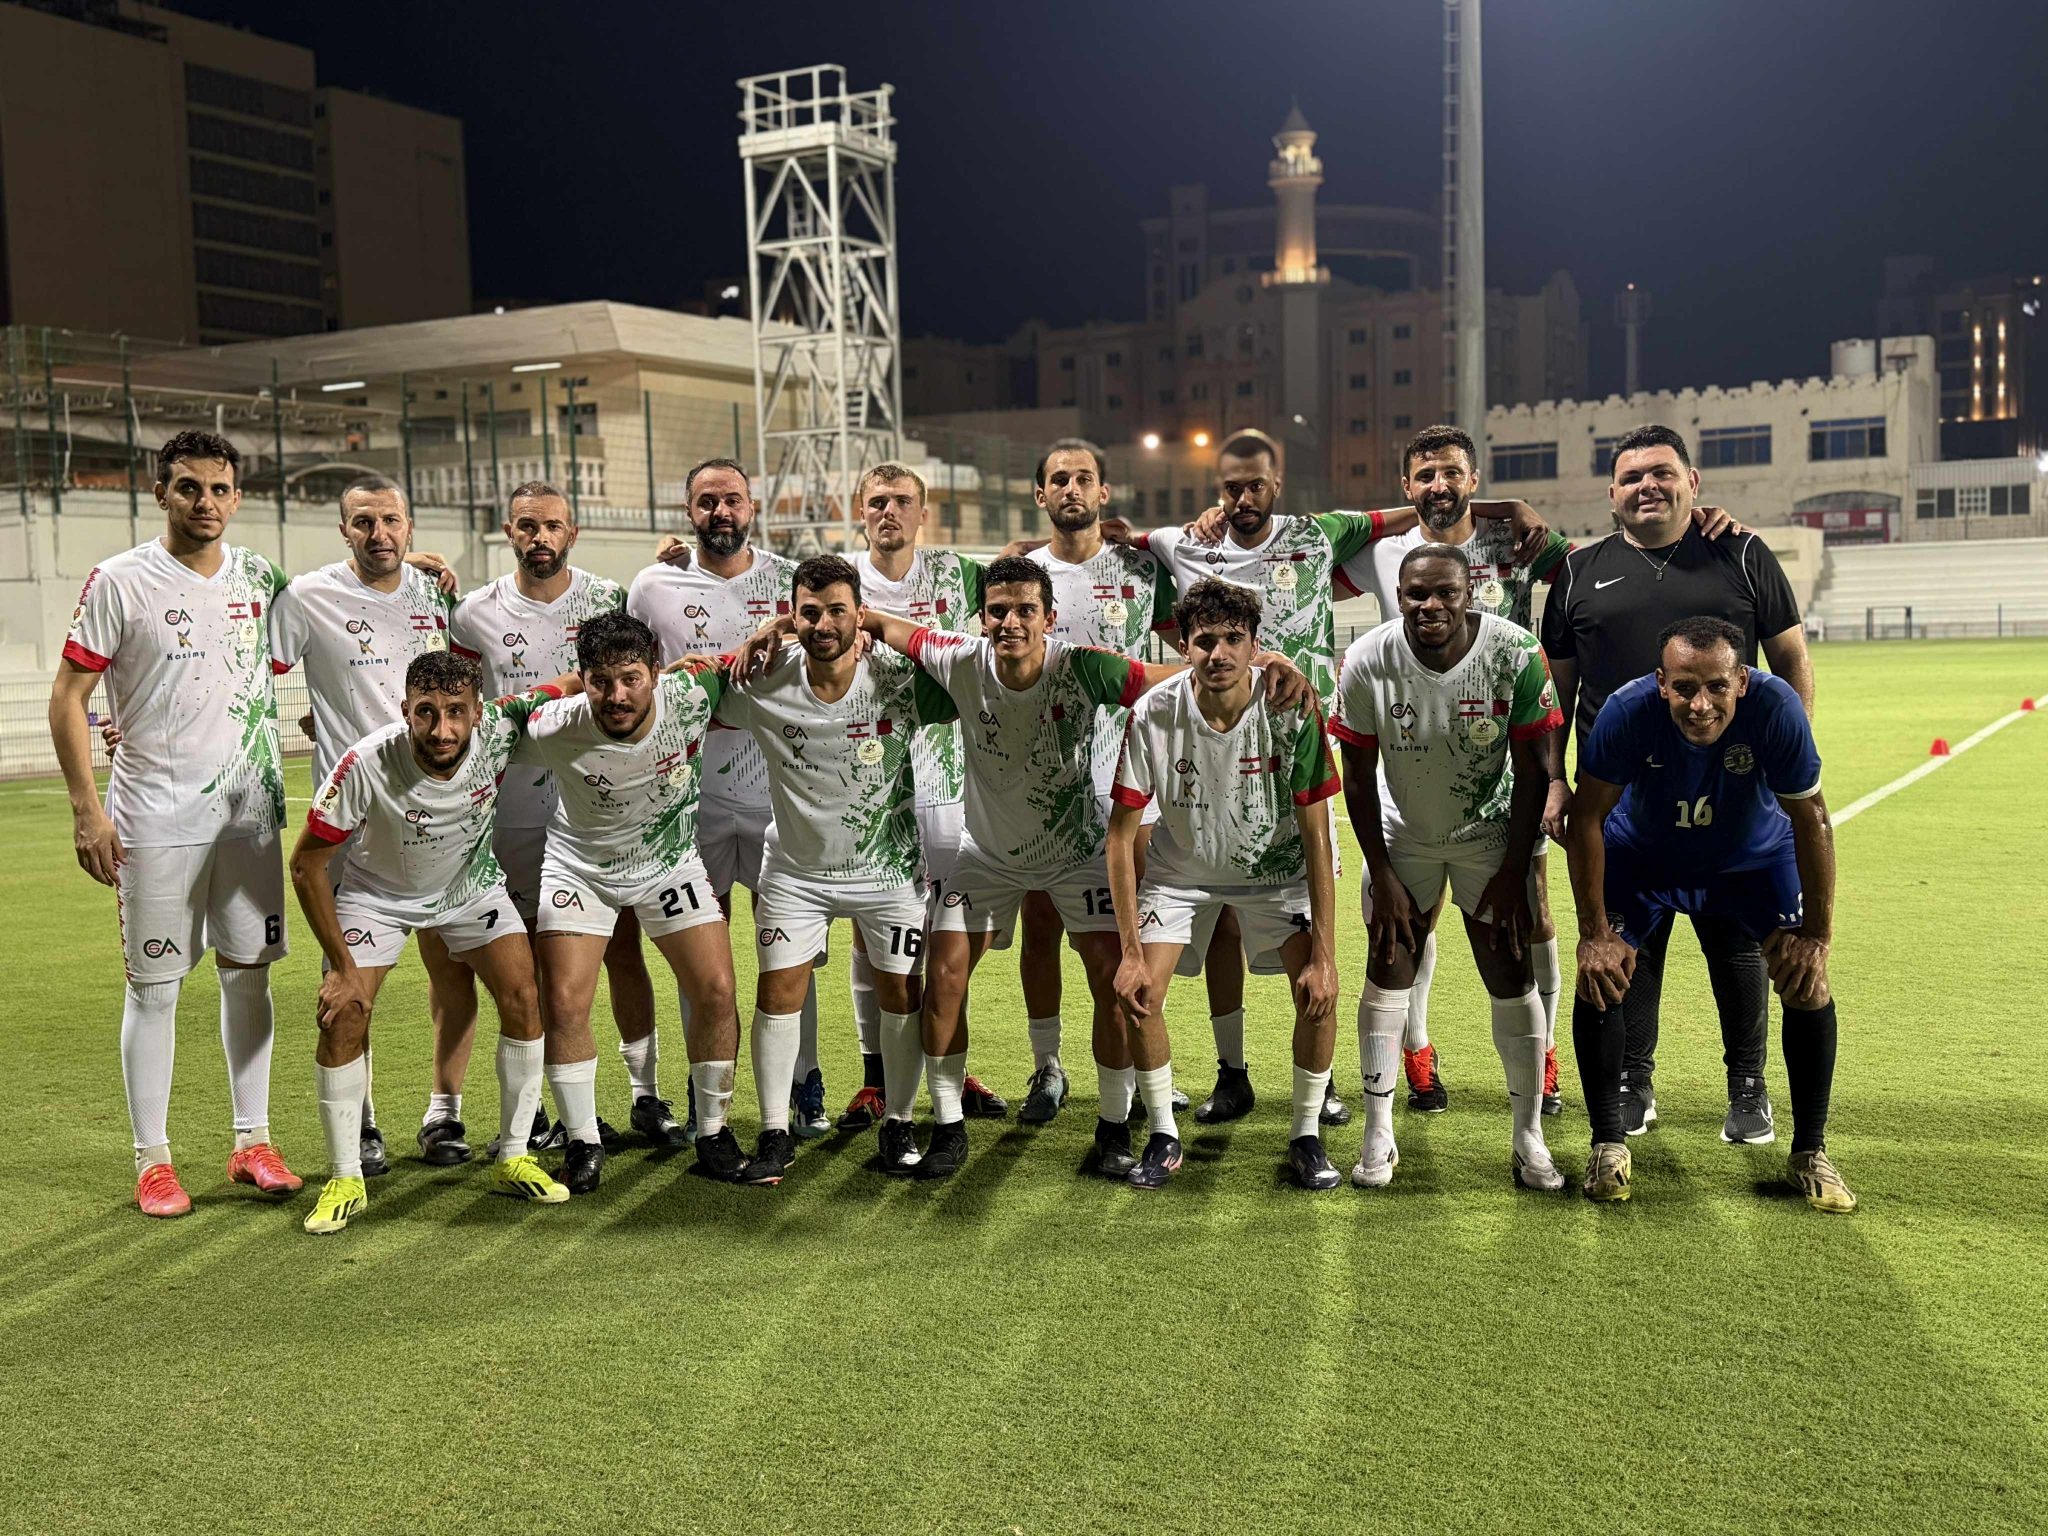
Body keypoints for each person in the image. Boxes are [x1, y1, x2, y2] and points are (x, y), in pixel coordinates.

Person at [848, 557, 1309, 1178]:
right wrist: (788, 629)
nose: (1011, 622)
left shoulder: (1081, 666)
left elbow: (1165, 674)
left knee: (1114, 981)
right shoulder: (956, 657)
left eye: (1026, 610)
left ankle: (1113, 1126)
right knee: (945, 977)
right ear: (981, 617)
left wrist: (1264, 662)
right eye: (998, 611)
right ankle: (948, 1127)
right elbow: (875, 621)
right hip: (986, 858)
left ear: (1049, 617)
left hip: (1076, 853)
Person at [1142, 429, 1543, 1126]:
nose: (1243, 497)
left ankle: (1328, 1080)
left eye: (1256, 484)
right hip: (1228, 743)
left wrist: (1508, 507)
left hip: (1313, 743)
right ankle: (1236, 1071)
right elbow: (1123, 540)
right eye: (1231, 487)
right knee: (1230, 917)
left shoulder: (1321, 533)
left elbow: (1420, 509)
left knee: (1355, 911)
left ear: (1278, 483)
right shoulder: (1184, 544)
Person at [48, 430, 300, 1217]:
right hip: (154, 817)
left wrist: (418, 573)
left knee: (248, 974)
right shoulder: (119, 580)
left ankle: (253, 1142)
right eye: (189, 487)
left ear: (238, 497)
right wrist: (88, 811)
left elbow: (331, 618)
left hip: (250, 816)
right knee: (156, 990)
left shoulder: (260, 577)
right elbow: (67, 698)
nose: (206, 503)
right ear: (160, 493)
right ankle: (152, 1161)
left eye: (220, 489)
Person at [1541, 424, 1815, 1144]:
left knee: (1739, 942)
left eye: (1662, 472)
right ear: (1611, 494)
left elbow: (1791, 661)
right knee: (1630, 944)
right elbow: (1554, 691)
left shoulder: (1742, 553)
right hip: (1622, 797)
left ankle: (1748, 1085)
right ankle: (1633, 1080)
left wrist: (1786, 755)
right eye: (1632, 477)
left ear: (1693, 483)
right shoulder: (1578, 571)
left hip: (1732, 790)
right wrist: (1554, 781)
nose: (1648, 486)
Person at [1563, 616, 1851, 1212]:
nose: (1700, 705)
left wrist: (1816, 936)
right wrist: (1594, 933)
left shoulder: (1777, 708)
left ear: (1742, 681)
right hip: (1644, 860)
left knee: (1806, 981)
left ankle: (1810, 1153)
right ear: (1660, 682)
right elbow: (1587, 817)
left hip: (1750, 862)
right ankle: (1608, 1145)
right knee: (1601, 978)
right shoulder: (1625, 711)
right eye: (1684, 687)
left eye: (1717, 686)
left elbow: (1813, 819)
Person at [289, 651, 581, 1232]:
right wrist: (342, 968)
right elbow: (305, 865)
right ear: (405, 710)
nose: (441, 729)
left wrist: (676, 671)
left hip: (469, 888)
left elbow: (569, 683)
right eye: (426, 712)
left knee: (524, 996)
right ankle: (345, 1176)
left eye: (455, 712)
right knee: (343, 1013)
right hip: (377, 896)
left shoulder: (503, 727)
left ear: (478, 712)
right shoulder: (364, 763)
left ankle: (514, 1155)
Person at [714, 555, 959, 1180]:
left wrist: (881, 626)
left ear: (860, 615)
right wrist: (753, 641)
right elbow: (684, 691)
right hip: (796, 875)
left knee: (901, 993)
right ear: (791, 616)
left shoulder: (898, 678)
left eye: (838, 612)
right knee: (778, 993)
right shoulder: (762, 678)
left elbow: (969, 673)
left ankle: (898, 1121)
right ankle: (774, 1131)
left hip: (888, 872)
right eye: (809, 612)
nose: (823, 624)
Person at [1332, 544, 1567, 1191]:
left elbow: (1533, 772)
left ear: (1469, 593)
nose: (1430, 605)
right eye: (1416, 594)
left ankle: (1528, 1137)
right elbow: (1356, 778)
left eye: (1445, 593)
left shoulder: (1514, 652)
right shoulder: (1367, 658)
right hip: (1402, 837)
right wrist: (1381, 872)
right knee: (1387, 972)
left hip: (1488, 837)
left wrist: (1513, 871)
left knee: (1511, 973)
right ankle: (1378, 1133)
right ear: (1399, 595)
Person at [450, 483, 676, 1151]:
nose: (539, 537)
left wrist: (680, 558)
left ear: (572, 532)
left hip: (604, 805)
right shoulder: (472, 614)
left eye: (551, 526)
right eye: (527, 526)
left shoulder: (610, 598)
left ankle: (645, 1095)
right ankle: (558, 1111)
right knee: (536, 966)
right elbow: (468, 706)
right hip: (516, 811)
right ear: (508, 532)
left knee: (625, 948)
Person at [1106, 579, 1342, 1190]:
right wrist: (1130, 952)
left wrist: (1325, 954)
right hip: (1180, 876)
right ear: (1183, 646)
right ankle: (1163, 1135)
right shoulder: (1153, 713)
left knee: (1318, 994)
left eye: (1233, 639)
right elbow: (1120, 837)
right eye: (1204, 640)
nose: (1219, 653)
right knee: (1138, 992)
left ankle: (1306, 1135)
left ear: (1255, 645)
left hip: (1275, 876)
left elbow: (1317, 836)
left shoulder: (1291, 708)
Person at [270, 475, 471, 1171]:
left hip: (443, 808)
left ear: (410, 527)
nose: (378, 534)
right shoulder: (307, 597)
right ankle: (362, 1124)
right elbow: (247, 673)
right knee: (349, 978)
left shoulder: (436, 595)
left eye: (390, 520)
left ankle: (444, 1114)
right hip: (354, 820)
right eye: (364, 522)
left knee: (451, 967)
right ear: (343, 530)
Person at [510, 612, 747, 1192]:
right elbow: (482, 722)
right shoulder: (551, 724)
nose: (616, 696)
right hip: (580, 869)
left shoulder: (692, 694)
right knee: (564, 1001)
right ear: (583, 679)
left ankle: (713, 1132)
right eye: (600, 681)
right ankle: (583, 1140)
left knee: (717, 989)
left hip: (668, 864)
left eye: (631, 679)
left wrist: (777, 628)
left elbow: (759, 656)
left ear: (656, 674)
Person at [631, 460, 831, 1137]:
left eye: (733, 500)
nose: (721, 512)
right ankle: (704, 1096)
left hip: (781, 794)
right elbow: (636, 675)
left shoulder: (789, 580)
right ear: (689, 511)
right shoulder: (652, 585)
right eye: (708, 501)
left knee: (789, 954)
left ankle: (804, 1084)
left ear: (753, 507)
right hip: (692, 800)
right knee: (699, 959)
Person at [1020, 439, 1188, 1124]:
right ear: (1041, 495)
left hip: (1129, 771)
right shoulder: (1021, 572)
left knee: (1134, 930)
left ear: (1103, 492)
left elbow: (1190, 643)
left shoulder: (1142, 570)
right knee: (1040, 927)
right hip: (1044, 775)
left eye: (1083, 478)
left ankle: (1147, 1063)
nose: (1071, 489)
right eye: (1058, 479)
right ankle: (1047, 1066)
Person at [843, 464, 1007, 1124]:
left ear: (923, 512)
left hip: (952, 775)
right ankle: (876, 1078)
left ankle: (946, 1063)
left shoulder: (961, 575)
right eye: (877, 501)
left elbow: (1019, 591)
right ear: (859, 511)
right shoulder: (839, 578)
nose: (889, 512)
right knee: (872, 933)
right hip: (869, 782)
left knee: (957, 935)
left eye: (902, 501)